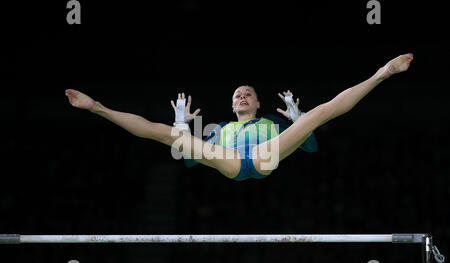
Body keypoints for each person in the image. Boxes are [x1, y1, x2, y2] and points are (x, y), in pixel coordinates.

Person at [65, 53, 414, 181]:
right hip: (230, 161)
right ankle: (97, 107)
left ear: (258, 103)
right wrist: (184, 130)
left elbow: (308, 147)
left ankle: (382, 72)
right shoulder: (221, 130)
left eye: (248, 92)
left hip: (265, 157)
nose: (241, 95)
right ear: (232, 106)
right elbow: (188, 159)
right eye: (237, 94)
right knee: (169, 134)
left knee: (318, 115)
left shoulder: (270, 126)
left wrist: (298, 120)